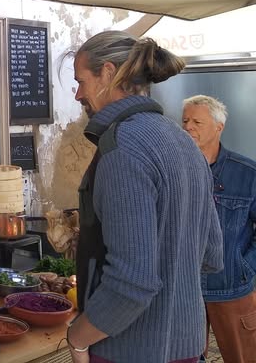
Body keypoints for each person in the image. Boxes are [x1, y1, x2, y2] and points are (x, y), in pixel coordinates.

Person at [66, 31, 223, 363]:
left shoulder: (122, 149)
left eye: (81, 81)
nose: (78, 94)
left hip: (127, 350)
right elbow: (211, 254)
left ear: (108, 73)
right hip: (188, 346)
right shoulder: (185, 143)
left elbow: (132, 283)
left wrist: (78, 337)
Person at [182, 95, 256, 362]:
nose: (188, 127)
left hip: (232, 288)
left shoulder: (247, 173)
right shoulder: (173, 170)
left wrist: (246, 266)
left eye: (197, 121)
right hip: (184, 291)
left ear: (218, 127)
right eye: (185, 121)